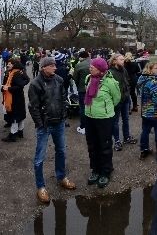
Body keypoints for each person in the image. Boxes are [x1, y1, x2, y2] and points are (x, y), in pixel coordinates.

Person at [24, 57, 76, 204]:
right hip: (45, 125)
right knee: (40, 157)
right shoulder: (35, 84)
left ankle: (61, 177)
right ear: (44, 68)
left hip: (59, 122)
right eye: (52, 65)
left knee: (61, 151)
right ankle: (40, 187)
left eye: (55, 65)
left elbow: (63, 97)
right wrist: (40, 124)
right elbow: (33, 107)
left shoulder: (59, 79)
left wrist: (64, 115)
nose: (55, 67)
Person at [81, 57, 122, 189]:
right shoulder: (88, 78)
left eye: (93, 66)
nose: (90, 67)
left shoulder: (110, 82)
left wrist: (104, 109)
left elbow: (117, 99)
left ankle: (106, 172)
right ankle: (95, 170)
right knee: (92, 145)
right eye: (91, 66)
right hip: (89, 117)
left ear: (100, 69)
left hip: (104, 118)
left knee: (104, 146)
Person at [135, 59, 157, 158]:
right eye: (156, 68)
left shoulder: (141, 79)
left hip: (145, 111)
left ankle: (144, 149)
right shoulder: (153, 82)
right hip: (155, 112)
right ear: (150, 70)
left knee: (145, 131)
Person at [2, 57, 28, 143]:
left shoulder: (16, 73)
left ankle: (13, 135)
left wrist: (9, 88)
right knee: (19, 115)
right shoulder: (18, 71)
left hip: (15, 98)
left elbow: (20, 86)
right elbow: (27, 80)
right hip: (18, 98)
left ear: (14, 65)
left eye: (9, 64)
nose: (7, 65)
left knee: (15, 117)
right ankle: (20, 132)